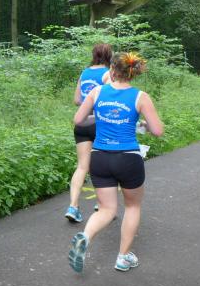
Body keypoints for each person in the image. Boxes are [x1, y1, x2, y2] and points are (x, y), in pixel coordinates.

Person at [68, 52, 163, 273]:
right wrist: (143, 126)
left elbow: (78, 120)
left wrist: (100, 118)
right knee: (132, 206)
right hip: (128, 158)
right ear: (132, 72)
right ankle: (123, 257)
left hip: (100, 157)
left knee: (106, 209)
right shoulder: (140, 97)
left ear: (112, 70)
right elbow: (158, 130)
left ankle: (85, 236)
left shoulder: (97, 92)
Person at [65, 43, 112, 222]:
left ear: (94, 55)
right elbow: (109, 99)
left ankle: (73, 206)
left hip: (82, 122)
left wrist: (87, 102)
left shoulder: (84, 73)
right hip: (100, 123)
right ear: (109, 56)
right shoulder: (108, 74)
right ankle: (102, 204)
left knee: (82, 166)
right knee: (104, 165)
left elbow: (77, 100)